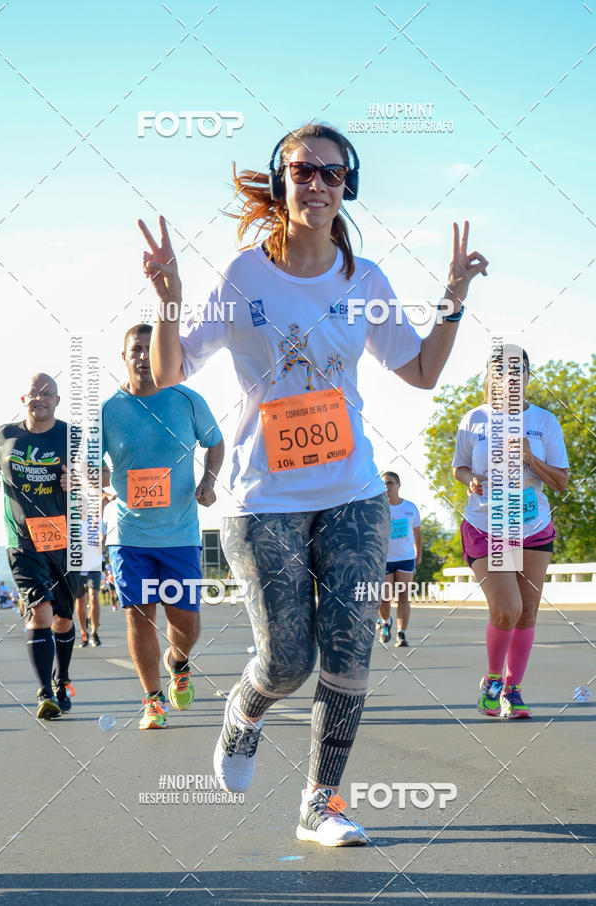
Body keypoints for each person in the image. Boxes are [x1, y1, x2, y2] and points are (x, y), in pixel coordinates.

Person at [140, 122, 488, 845]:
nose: (318, 184)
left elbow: (421, 372)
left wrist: (451, 299)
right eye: (304, 170)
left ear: (347, 185)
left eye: (332, 173)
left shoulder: (365, 280)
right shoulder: (243, 276)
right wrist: (170, 296)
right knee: (288, 660)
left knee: (351, 649)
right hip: (263, 498)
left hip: (353, 493)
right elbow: (171, 374)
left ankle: (320, 804)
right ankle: (245, 713)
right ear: (281, 180)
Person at [102, 324, 223, 729]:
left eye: (148, 348)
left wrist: (208, 481)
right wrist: (96, 484)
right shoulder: (107, 411)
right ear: (123, 356)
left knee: (184, 622)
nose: (141, 356)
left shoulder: (186, 400)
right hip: (129, 537)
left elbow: (215, 442)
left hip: (180, 534)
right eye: (134, 349)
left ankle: (179, 660)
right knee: (139, 616)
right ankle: (153, 701)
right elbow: (90, 467)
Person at [452, 347, 569, 719]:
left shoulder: (545, 422)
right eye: (503, 370)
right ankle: (492, 680)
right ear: (491, 377)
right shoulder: (474, 420)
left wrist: (531, 458)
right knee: (508, 608)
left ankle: (513, 689)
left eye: (519, 370)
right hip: (491, 526)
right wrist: (471, 481)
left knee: (527, 613)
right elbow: (460, 468)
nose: (511, 376)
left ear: (529, 377)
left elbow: (562, 482)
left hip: (532, 527)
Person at [0, 374, 78, 718]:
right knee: (40, 611)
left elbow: (100, 474)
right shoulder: (4, 436)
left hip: (66, 541)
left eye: (47, 393)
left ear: (57, 400)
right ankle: (44, 691)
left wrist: (77, 477)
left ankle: (62, 679)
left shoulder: (72, 435)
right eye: (33, 393)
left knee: (63, 618)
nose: (39, 398)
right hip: (23, 541)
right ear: (23, 399)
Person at [376, 472, 422, 647]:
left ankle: (401, 634)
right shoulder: (377, 508)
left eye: (390, 483)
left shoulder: (410, 507)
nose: (387, 487)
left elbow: (417, 533)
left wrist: (419, 555)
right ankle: (386, 621)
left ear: (398, 484)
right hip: (384, 559)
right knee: (384, 598)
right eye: (383, 484)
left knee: (403, 597)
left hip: (406, 558)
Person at [75, 569, 102, 646]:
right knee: (80, 600)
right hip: (76, 564)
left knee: (94, 597)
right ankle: (84, 633)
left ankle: (94, 633)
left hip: (93, 564)